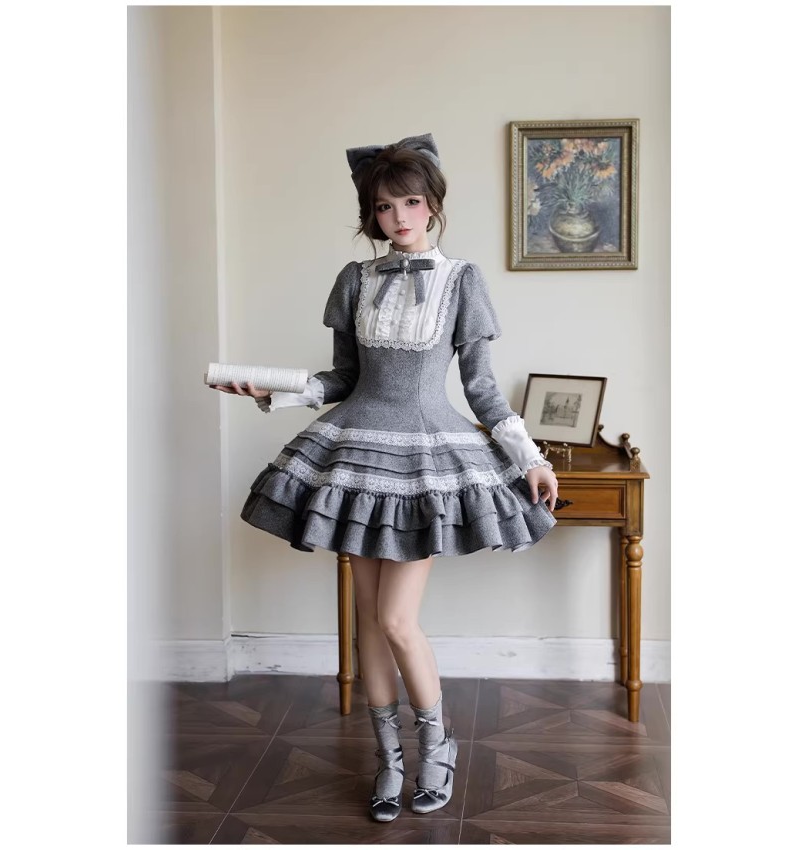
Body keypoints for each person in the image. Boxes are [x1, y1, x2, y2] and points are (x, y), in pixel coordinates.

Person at [210, 133, 558, 823]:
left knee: (397, 619)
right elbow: (342, 378)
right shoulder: (355, 279)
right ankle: (389, 759)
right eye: (383, 206)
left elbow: (481, 389)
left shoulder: (462, 280)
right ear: (370, 213)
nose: (398, 216)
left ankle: (438, 747)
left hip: (425, 457)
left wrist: (530, 457)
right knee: (369, 620)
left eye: (411, 202)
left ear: (433, 206)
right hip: (354, 450)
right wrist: (274, 392)